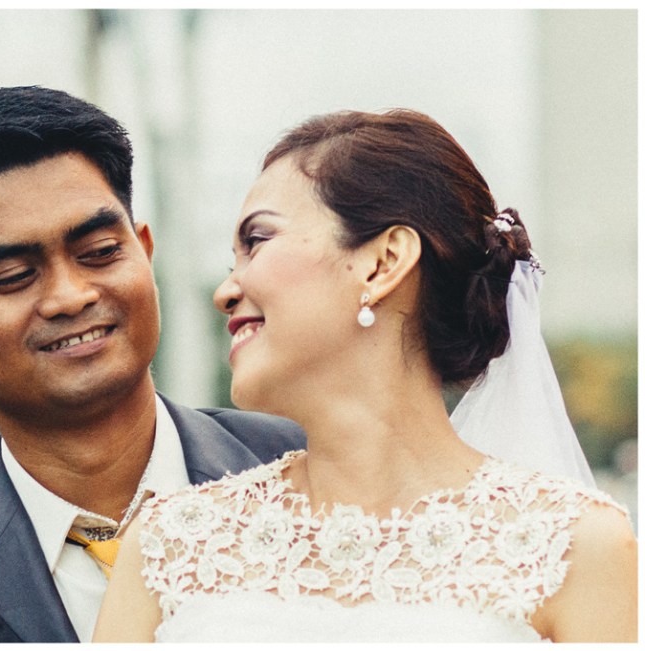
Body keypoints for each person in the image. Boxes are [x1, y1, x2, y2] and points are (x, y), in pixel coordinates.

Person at [93, 109, 637, 643]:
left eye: (256, 241)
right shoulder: (168, 546)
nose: (225, 291)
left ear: (383, 262)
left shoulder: (574, 548)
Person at [0, 86, 305, 643]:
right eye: (13, 277)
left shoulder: (310, 463)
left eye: (100, 252)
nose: (70, 296)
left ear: (144, 251)